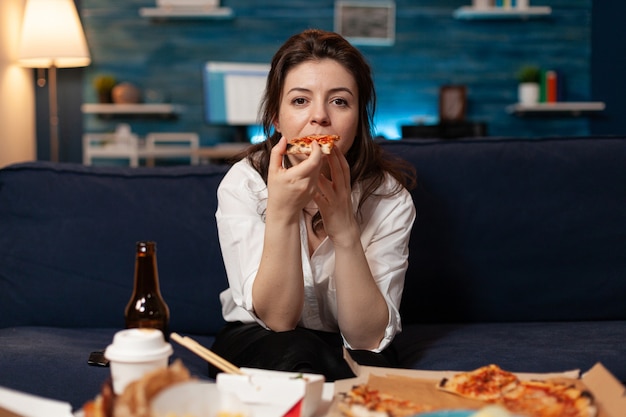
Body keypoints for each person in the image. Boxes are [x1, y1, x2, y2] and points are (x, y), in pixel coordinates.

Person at [209, 29, 416, 381]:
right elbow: (277, 320)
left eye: (339, 101)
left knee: (370, 367)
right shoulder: (243, 183)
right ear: (276, 116)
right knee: (295, 351)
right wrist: (282, 213)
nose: (319, 117)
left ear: (358, 119)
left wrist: (345, 229)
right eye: (300, 100)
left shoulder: (389, 196)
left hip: (351, 345)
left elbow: (366, 339)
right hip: (264, 339)